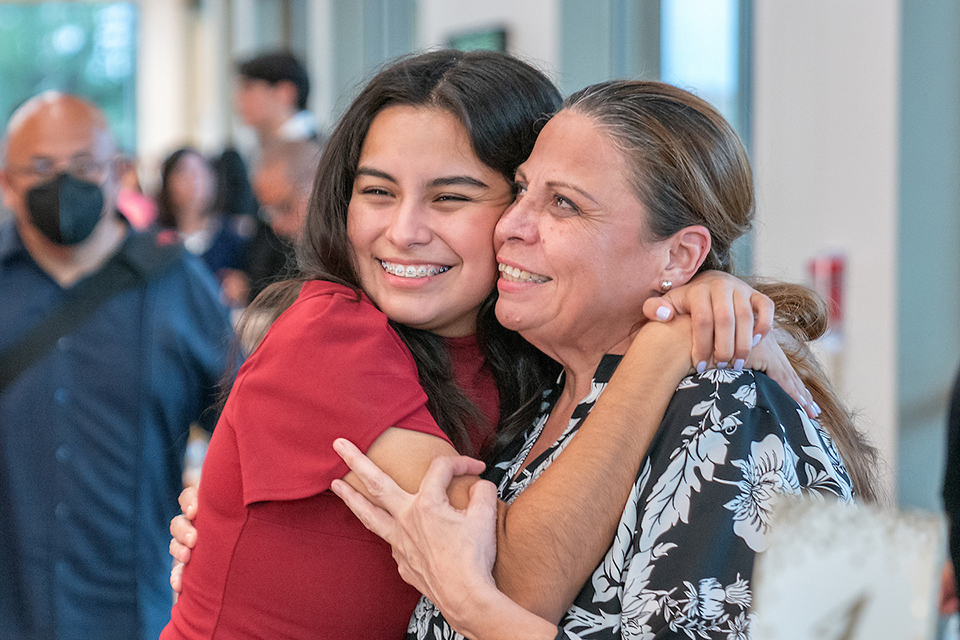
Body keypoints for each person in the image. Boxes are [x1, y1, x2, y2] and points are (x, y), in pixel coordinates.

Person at [164, 52, 812, 640]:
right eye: (377, 191)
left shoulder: (537, 360)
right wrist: (667, 346)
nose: (404, 231)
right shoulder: (330, 336)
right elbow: (504, 580)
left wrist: (707, 293)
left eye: (452, 196)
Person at [331, 80, 880, 640]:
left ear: (679, 254)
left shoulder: (722, 406)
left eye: (563, 204)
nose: (511, 224)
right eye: (521, 190)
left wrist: (472, 606)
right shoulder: (549, 392)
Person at [0, 92, 234, 639]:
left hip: (139, 610)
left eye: (84, 165)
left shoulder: (177, 282)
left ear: (118, 172)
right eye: (40, 168)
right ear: (7, 182)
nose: (63, 183)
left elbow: (244, 427)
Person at [157, 147, 248, 281]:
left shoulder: (235, 237)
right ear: (167, 182)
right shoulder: (157, 241)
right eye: (185, 172)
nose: (195, 180)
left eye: (202, 171)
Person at [234, 50, 319, 148]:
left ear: (285, 93)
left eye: (249, 88)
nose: (239, 97)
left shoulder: (315, 151)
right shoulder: (261, 147)